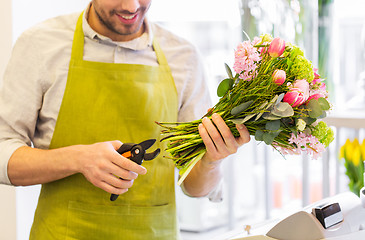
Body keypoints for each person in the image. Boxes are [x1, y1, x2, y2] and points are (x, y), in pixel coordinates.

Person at [0, 0, 250, 239]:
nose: (131, 7)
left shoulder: (184, 57)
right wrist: (78, 159)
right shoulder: (40, 44)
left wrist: (211, 161)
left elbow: (196, 188)